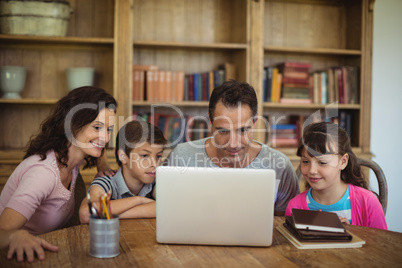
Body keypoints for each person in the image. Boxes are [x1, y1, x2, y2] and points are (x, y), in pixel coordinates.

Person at [0, 86, 117, 262]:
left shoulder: (70, 159)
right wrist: (14, 236)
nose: (106, 138)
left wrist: (103, 164)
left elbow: (100, 146)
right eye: (97, 127)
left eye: (109, 130)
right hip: (16, 258)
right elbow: (2, 231)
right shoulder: (44, 174)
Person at [165, 80, 300, 215]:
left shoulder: (279, 166)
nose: (233, 144)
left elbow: (285, 226)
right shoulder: (181, 156)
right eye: (223, 131)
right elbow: (164, 212)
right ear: (211, 123)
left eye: (242, 130)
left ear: (254, 123)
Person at [285, 122, 387, 230]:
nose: (312, 170)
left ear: (343, 162)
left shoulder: (368, 202)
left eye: (322, 163)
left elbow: (381, 245)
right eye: (305, 161)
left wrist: (353, 234)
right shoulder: (294, 206)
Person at [79, 120, 167, 223]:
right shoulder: (106, 183)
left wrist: (109, 214)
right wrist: (138, 200)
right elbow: (86, 213)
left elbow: (168, 207)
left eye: (158, 156)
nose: (155, 164)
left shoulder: (155, 181)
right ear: (123, 156)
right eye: (144, 156)